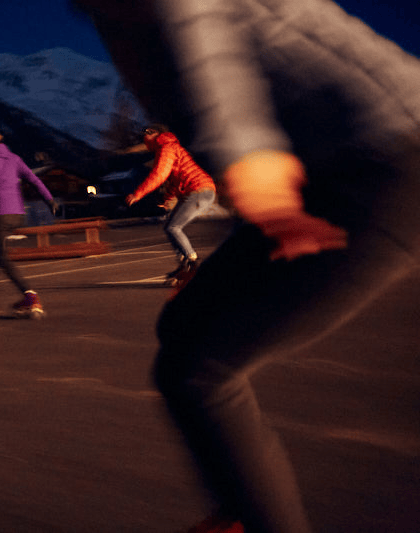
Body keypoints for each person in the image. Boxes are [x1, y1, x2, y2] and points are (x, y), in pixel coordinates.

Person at [74, 0, 420, 532]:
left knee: (200, 368)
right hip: (327, 177)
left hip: (389, 165)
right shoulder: (113, 18)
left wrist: (249, 161)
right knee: (185, 329)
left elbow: (212, 58)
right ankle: (247, 506)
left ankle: (255, 518)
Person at [0, 125, 59, 319]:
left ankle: (30, 296)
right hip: (17, 214)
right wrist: (49, 200)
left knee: (2, 258)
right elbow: (34, 179)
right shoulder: (14, 158)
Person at [126, 124, 217, 283]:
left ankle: (192, 264)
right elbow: (174, 180)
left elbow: (159, 175)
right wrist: (167, 199)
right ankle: (184, 266)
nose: (144, 139)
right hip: (198, 191)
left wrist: (138, 193)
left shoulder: (166, 147)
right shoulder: (168, 148)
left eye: (146, 135)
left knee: (174, 227)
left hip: (199, 191)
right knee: (170, 227)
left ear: (154, 134)